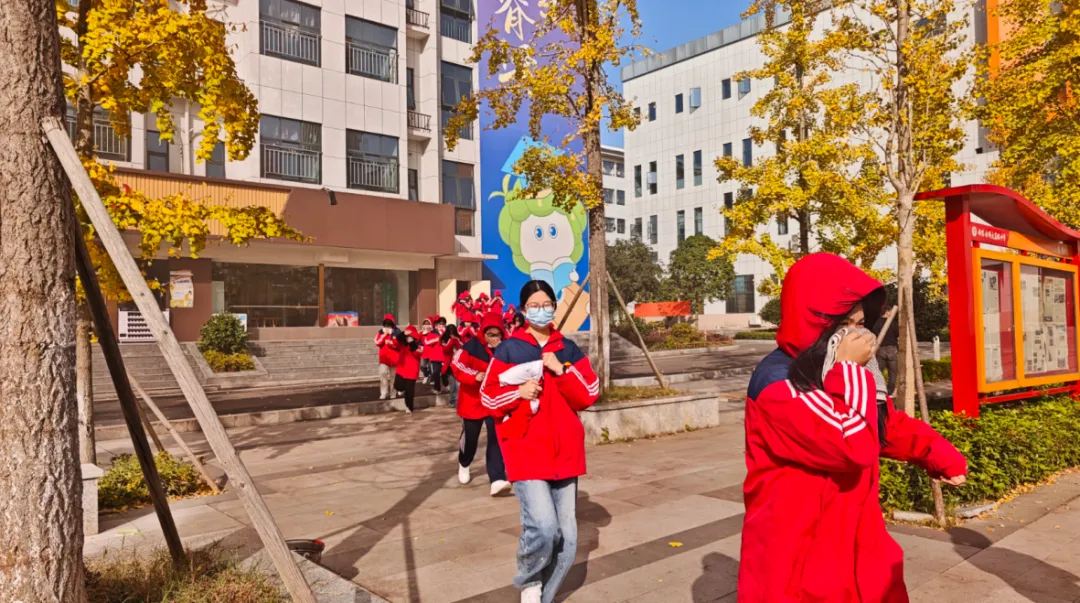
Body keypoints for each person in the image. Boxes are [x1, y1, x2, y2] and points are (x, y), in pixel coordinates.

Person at [740, 253, 967, 603]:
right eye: (844, 323)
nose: (855, 334)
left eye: (860, 323)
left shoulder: (834, 366)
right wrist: (848, 370)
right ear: (813, 319)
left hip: (857, 535)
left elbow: (881, 423)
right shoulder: (779, 383)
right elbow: (850, 445)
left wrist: (935, 452)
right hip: (803, 551)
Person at [481, 280, 600, 603]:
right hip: (526, 450)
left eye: (546, 303)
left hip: (565, 453)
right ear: (523, 310)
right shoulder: (509, 349)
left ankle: (542, 598)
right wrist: (517, 393)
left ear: (554, 306)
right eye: (533, 305)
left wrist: (560, 370)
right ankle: (530, 580)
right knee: (544, 528)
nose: (541, 310)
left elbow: (589, 394)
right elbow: (488, 398)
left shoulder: (567, 349)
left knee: (568, 543)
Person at [451, 312, 511, 496]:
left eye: (498, 334)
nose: (494, 338)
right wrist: (474, 376)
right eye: (490, 334)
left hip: (494, 401)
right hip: (472, 401)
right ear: (483, 332)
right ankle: (464, 462)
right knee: (471, 437)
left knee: (496, 437)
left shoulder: (507, 348)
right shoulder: (470, 347)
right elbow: (456, 365)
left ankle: (497, 478)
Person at [393, 325, 423, 414]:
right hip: (401, 368)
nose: (408, 338)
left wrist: (412, 344)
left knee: (409, 391)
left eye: (410, 336)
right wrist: (403, 334)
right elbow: (395, 342)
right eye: (407, 336)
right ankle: (401, 390)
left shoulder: (419, 344)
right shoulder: (402, 343)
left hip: (412, 370)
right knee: (398, 386)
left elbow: (418, 353)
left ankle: (409, 407)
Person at [874, 307, 900, 396]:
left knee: (878, 372)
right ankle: (890, 391)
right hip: (892, 349)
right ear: (887, 312)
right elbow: (898, 334)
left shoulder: (876, 323)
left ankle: (878, 389)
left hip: (880, 349)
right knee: (893, 373)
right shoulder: (893, 323)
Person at [374, 314, 400, 400]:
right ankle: (384, 393)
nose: (387, 326)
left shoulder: (397, 332)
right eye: (386, 324)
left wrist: (391, 343)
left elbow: (400, 345)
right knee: (383, 374)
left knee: (393, 377)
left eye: (389, 324)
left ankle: (393, 393)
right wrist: (384, 335)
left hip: (394, 358)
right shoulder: (381, 332)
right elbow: (377, 342)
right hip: (384, 358)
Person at [421, 316, 445, 393]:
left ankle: (445, 385)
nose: (440, 325)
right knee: (435, 372)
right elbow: (426, 342)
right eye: (439, 324)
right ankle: (437, 388)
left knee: (443, 372)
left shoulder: (445, 332)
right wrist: (436, 339)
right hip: (435, 356)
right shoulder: (432, 332)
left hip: (444, 355)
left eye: (442, 324)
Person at [441, 324, 462, 407]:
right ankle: (453, 401)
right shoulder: (444, 339)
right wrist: (451, 341)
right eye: (450, 333)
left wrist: (456, 341)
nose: (451, 335)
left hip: (458, 364)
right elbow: (446, 349)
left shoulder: (458, 339)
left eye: (453, 333)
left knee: (458, 385)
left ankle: (457, 401)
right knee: (453, 385)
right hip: (449, 365)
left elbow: (461, 348)